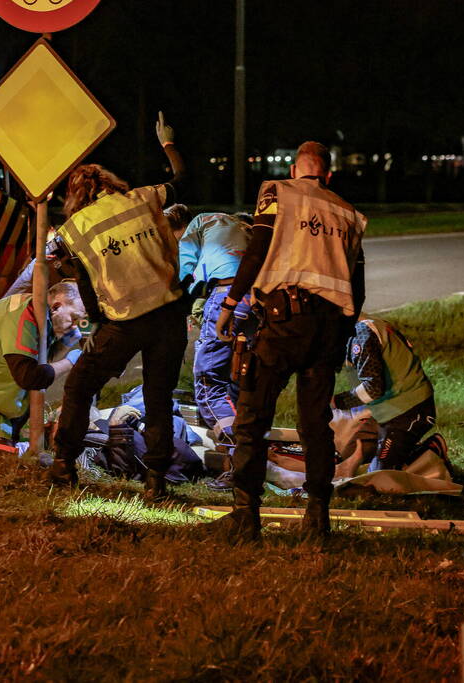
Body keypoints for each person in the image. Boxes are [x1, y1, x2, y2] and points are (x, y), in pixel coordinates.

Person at [208, 140, 367, 540]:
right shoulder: (348, 212)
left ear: (296, 170)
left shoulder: (278, 193)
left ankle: (246, 516)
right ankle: (317, 518)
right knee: (315, 424)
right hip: (329, 328)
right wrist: (342, 337)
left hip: (282, 323)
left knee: (252, 416)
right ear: (328, 175)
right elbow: (357, 285)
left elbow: (257, 248)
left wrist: (230, 302)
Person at [48, 112, 191, 502]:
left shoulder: (76, 228)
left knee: (78, 387)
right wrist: (168, 146)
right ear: (111, 184)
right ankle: (155, 483)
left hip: (124, 322)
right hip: (168, 315)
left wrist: (95, 328)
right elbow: (181, 181)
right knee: (158, 397)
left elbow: (87, 286)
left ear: (77, 196)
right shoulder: (143, 198)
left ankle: (64, 468)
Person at [0, 281, 87, 459]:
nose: (75, 325)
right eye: (74, 318)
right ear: (56, 306)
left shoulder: (38, 313)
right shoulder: (23, 315)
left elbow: (39, 362)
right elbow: (30, 377)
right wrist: (71, 361)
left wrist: (63, 344)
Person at [175, 211, 258, 441]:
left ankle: (236, 453)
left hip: (227, 295)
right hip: (256, 301)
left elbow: (183, 270)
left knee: (208, 385)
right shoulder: (241, 230)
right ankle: (250, 447)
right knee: (239, 377)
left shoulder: (199, 221)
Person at [331, 316, 444, 475]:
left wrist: (337, 402)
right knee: (345, 452)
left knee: (378, 479)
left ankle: (428, 451)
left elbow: (373, 389)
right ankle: (400, 448)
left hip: (407, 411)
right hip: (387, 409)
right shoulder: (359, 327)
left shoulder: (361, 334)